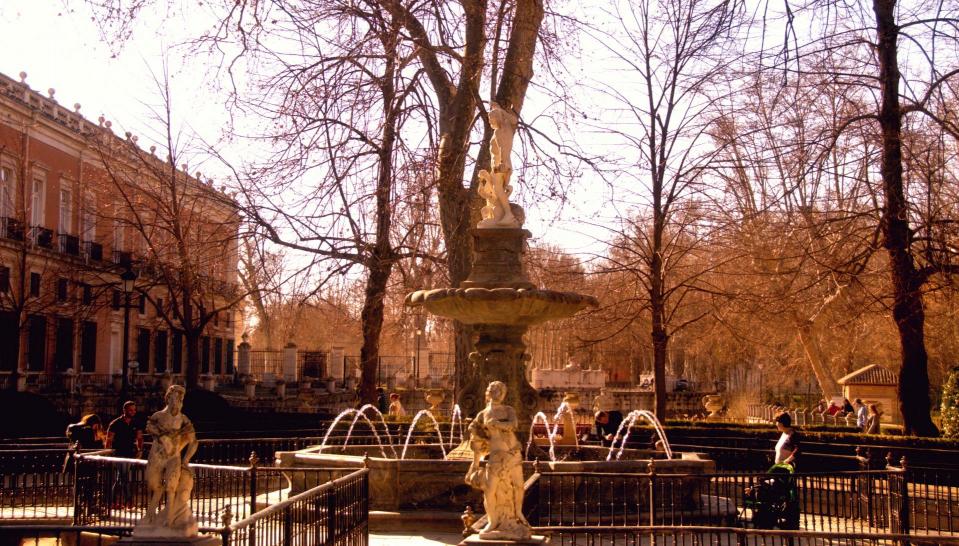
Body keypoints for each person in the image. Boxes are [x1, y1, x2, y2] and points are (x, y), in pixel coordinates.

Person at [465, 381, 531, 541]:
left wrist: (497, 424)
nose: (500, 393)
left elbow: (514, 424)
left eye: (502, 391)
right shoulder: (482, 414)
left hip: (512, 452)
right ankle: (492, 521)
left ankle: (518, 513)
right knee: (490, 489)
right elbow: (476, 441)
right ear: (489, 393)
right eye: (496, 390)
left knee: (519, 485)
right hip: (496, 455)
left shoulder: (508, 410)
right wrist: (475, 464)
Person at [106, 401, 144, 508]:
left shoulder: (136, 423)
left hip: (130, 453)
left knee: (121, 477)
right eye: (130, 410)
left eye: (134, 410)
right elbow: (109, 440)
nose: (133, 412)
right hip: (119, 453)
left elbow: (139, 438)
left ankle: (113, 501)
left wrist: (140, 450)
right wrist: (108, 453)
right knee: (124, 476)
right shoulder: (115, 423)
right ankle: (128, 500)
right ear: (124, 410)